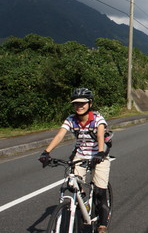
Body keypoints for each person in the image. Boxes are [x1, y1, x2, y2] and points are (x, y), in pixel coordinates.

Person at [39, 88, 111, 233]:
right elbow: (60, 136)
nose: (79, 106)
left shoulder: (98, 119)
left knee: (99, 191)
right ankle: (84, 206)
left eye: (83, 103)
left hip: (99, 155)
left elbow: (100, 137)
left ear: (90, 104)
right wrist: (46, 152)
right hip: (80, 155)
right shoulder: (71, 119)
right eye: (76, 104)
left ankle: (102, 223)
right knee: (73, 185)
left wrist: (100, 153)